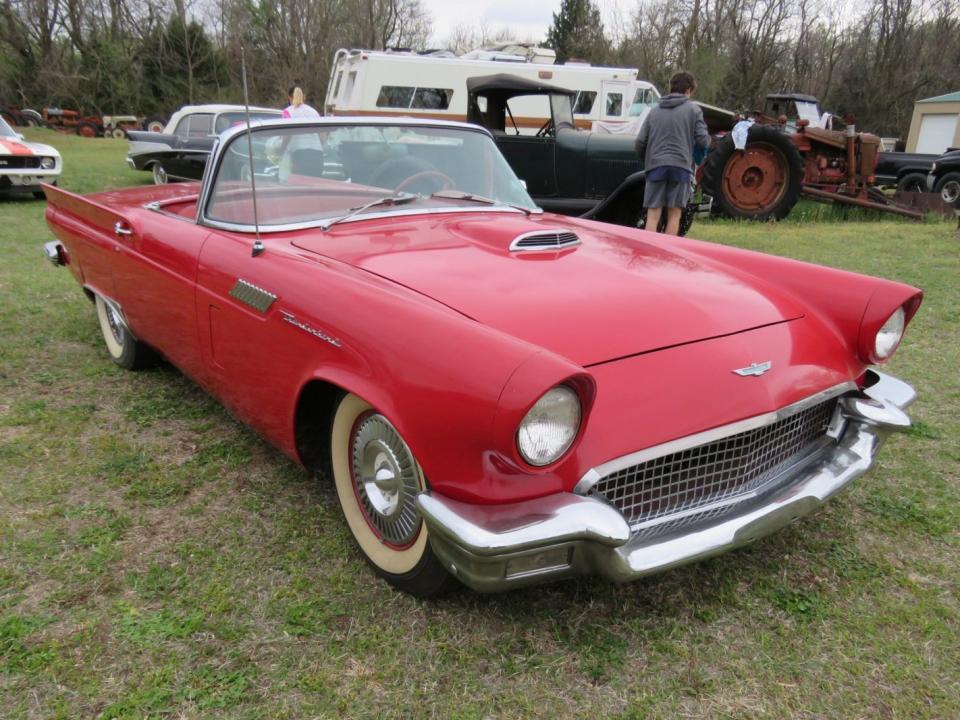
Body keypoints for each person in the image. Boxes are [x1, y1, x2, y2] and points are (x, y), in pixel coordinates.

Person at [635, 71, 711, 235]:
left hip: (656, 166)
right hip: (681, 167)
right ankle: (667, 256)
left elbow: (640, 142)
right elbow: (703, 140)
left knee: (653, 214)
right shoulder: (694, 110)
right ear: (689, 90)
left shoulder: (654, 111)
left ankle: (649, 253)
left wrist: (648, 161)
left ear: (671, 87)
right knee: (674, 214)